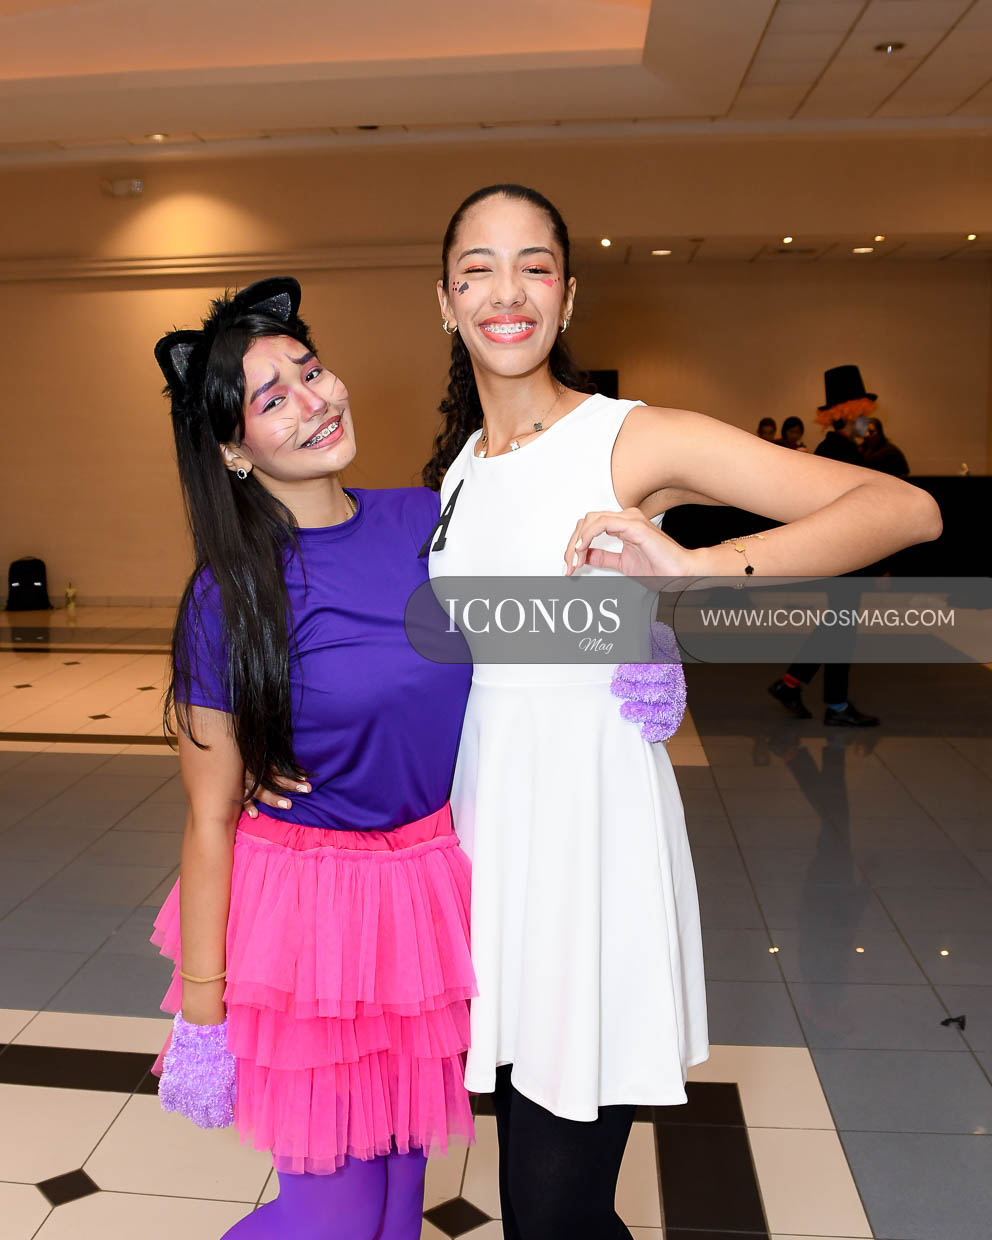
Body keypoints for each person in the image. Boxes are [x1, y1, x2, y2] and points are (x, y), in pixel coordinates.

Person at [418, 184, 940, 1239]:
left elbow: (902, 508)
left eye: (534, 266)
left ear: (569, 296)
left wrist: (700, 567)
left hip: (588, 846)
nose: (507, 291)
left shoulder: (630, 437)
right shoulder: (459, 471)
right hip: (490, 848)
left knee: (549, 1215)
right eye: (478, 269)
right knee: (548, 1206)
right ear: (445, 302)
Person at [149, 277, 476, 1240]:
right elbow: (211, 816)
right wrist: (201, 1015)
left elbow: (527, 628)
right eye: (273, 398)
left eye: (312, 370)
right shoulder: (228, 595)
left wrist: (629, 633)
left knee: (396, 1215)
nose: (315, 400)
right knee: (336, 1221)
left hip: (424, 903)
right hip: (309, 924)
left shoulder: (425, 520)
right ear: (233, 449)